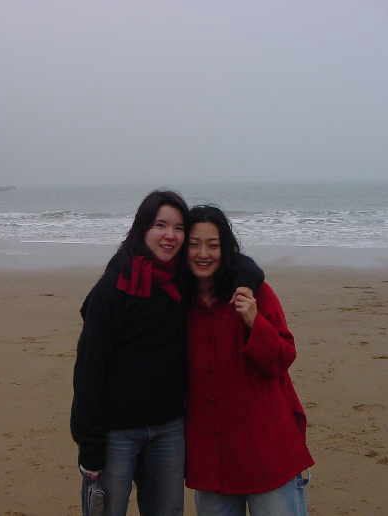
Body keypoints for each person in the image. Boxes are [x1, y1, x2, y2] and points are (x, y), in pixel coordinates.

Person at [70, 191, 264, 516]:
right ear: (143, 228)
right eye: (160, 225)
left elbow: (242, 265)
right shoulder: (115, 284)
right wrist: (89, 444)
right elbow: (89, 368)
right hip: (115, 432)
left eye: (178, 228)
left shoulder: (183, 278)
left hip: (168, 429)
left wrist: (243, 286)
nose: (170, 235)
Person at [184, 205, 315, 516]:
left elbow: (282, 358)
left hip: (266, 450)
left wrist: (255, 321)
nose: (203, 254)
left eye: (213, 245)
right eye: (194, 244)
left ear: (226, 249)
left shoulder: (255, 293)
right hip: (212, 458)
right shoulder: (177, 301)